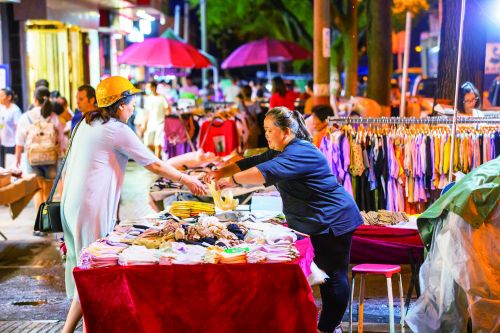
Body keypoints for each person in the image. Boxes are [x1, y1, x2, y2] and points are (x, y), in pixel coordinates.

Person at [60, 76, 206, 333]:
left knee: (82, 267)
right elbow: (155, 164)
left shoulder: (86, 123)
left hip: (70, 204)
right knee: (93, 270)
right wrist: (187, 179)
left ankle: (75, 329)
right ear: (118, 105)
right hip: (89, 206)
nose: (133, 108)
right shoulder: (117, 130)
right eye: (130, 103)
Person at [204, 106, 363, 333]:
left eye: (270, 130)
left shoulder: (301, 152)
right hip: (312, 221)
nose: (266, 134)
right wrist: (219, 172)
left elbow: (263, 172)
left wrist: (231, 181)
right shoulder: (280, 150)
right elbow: (252, 162)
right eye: (265, 130)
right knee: (321, 274)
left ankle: (329, 327)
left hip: (333, 219)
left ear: (286, 132)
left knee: (333, 276)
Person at [15, 86, 65, 210]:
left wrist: (17, 160)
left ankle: (39, 224)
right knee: (48, 192)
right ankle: (47, 222)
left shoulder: (26, 117)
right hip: (51, 158)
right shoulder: (54, 117)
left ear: (35, 99)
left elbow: (19, 141)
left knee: (37, 190)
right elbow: (61, 140)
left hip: (33, 159)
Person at [141, 80, 170, 157]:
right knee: (147, 143)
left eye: (149, 87)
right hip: (151, 123)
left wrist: (166, 119)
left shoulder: (162, 97)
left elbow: (168, 109)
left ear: (153, 87)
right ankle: (159, 156)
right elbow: (147, 112)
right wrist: (144, 124)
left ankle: (158, 158)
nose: (148, 89)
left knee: (158, 143)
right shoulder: (148, 99)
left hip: (161, 123)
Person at [0, 88, 22, 168]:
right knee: (2, 168)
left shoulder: (15, 110)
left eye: (2, 95)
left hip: (12, 144)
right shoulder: (2, 109)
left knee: (10, 168)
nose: (0, 97)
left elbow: (18, 128)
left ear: (9, 97)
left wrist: (18, 145)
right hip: (3, 143)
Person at [239, 85, 262, 149]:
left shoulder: (240, 103)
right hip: (254, 128)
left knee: (244, 147)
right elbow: (259, 113)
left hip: (244, 128)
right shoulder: (256, 103)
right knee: (254, 148)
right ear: (251, 92)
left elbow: (240, 115)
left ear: (243, 93)